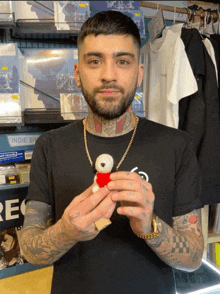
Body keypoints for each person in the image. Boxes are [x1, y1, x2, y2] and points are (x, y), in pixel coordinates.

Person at [19, 10, 204, 294]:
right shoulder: (49, 146)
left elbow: (193, 257)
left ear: (139, 73)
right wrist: (66, 231)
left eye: (122, 61)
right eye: (95, 61)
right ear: (78, 74)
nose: (109, 75)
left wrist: (150, 226)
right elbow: (30, 249)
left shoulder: (177, 145)